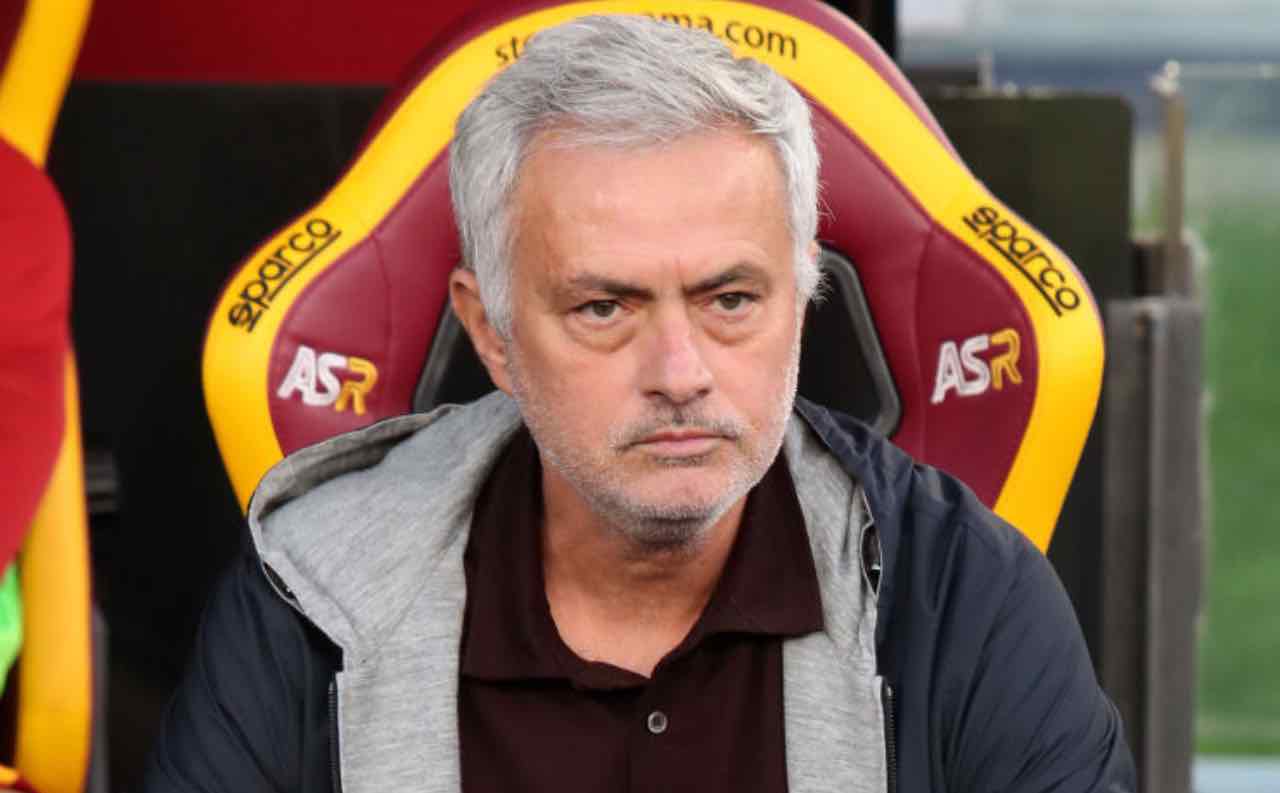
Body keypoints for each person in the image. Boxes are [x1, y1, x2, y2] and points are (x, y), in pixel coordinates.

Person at [145, 15, 1135, 793]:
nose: (679, 371)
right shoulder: (309, 594)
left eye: (730, 300)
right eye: (604, 308)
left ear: (800, 299)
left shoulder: (964, 596)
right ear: (491, 331)